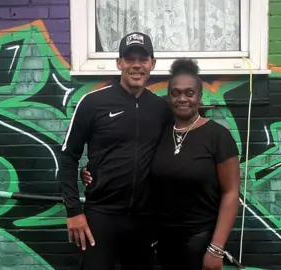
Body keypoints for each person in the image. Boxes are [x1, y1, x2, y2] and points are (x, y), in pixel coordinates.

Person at [81, 59, 240, 270]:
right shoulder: (161, 133)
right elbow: (134, 161)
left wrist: (216, 248)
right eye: (175, 93)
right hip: (164, 242)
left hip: (201, 240)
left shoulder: (218, 136)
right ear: (169, 97)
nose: (182, 98)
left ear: (200, 97)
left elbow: (231, 193)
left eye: (189, 93)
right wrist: (95, 170)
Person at [58, 31, 171, 270]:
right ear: (119, 63)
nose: (136, 65)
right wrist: (73, 211)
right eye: (130, 59)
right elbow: (68, 157)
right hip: (101, 217)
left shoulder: (161, 109)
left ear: (152, 64)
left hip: (144, 220)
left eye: (143, 59)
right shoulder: (92, 103)